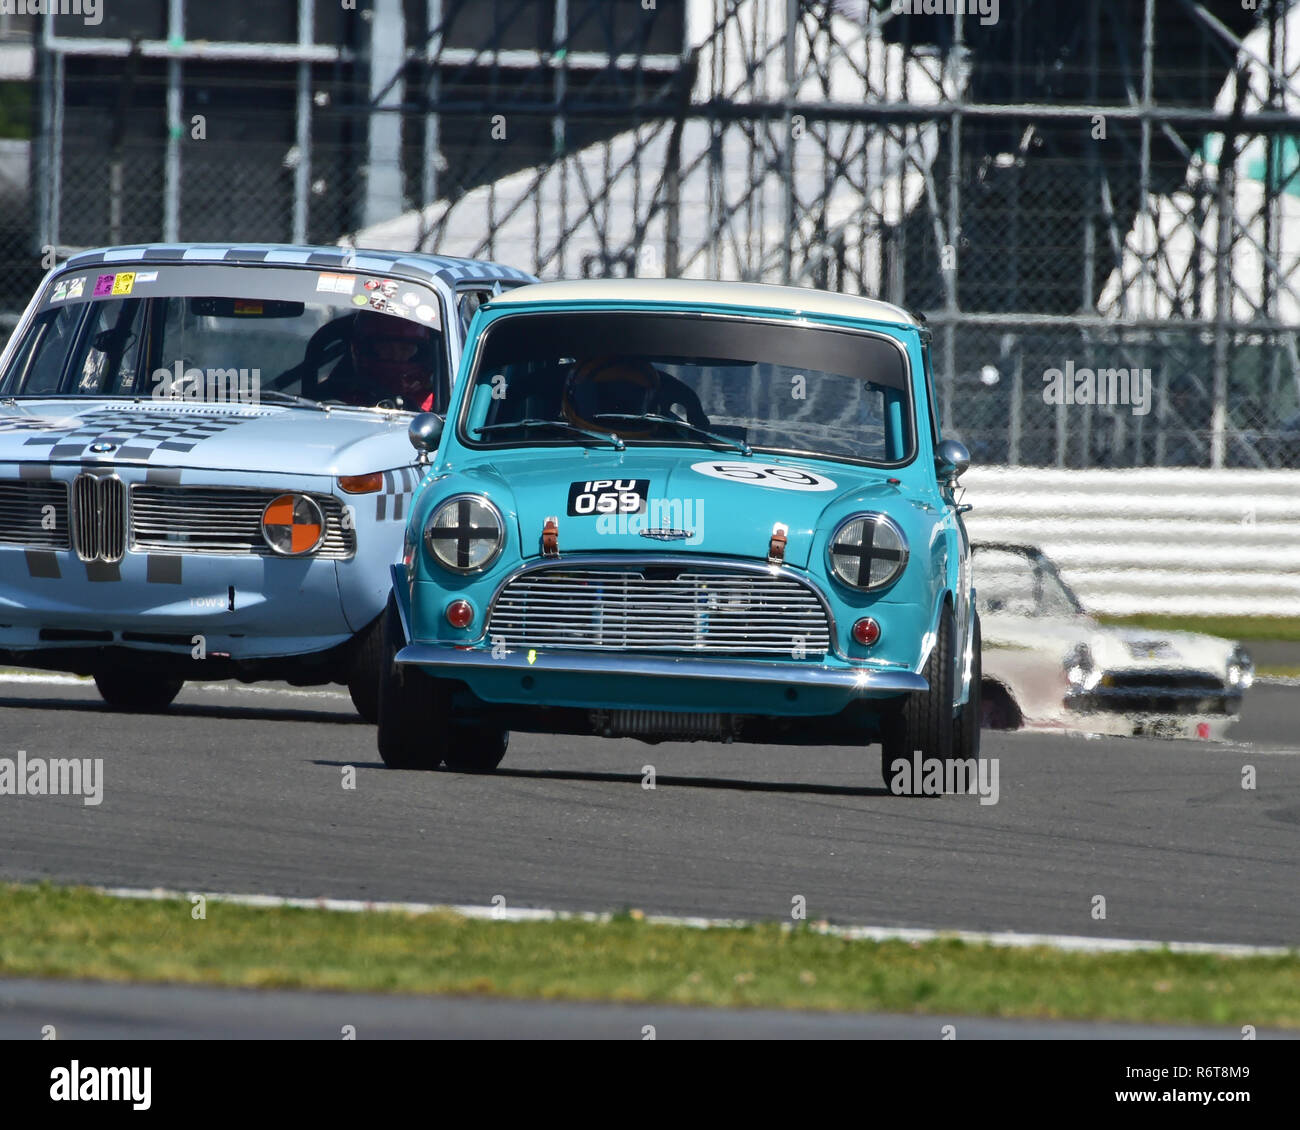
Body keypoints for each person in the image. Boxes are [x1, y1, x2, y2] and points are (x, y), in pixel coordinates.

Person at [325, 311, 439, 410]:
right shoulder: (335, 402)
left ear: (422, 353)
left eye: (406, 348)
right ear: (367, 348)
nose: (396, 355)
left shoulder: (438, 404)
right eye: (386, 347)